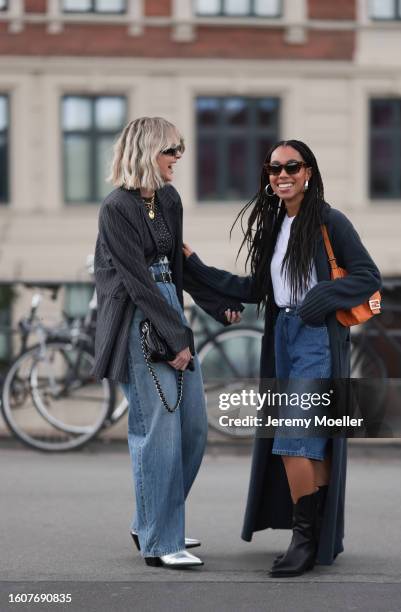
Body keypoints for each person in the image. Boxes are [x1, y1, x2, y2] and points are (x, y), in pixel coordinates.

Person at [183, 139, 381, 577]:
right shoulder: (275, 226)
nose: (282, 175)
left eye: (292, 166)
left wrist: (322, 297)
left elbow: (369, 276)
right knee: (308, 440)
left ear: (308, 172)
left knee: (294, 437)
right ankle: (318, 535)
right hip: (282, 339)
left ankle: (304, 538)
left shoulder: (330, 220)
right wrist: (194, 266)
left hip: (316, 339)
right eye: (274, 169)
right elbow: (255, 289)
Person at [91, 117, 242, 569]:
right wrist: (176, 339)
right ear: (147, 151)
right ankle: (161, 540)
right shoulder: (117, 207)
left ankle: (153, 521)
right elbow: (137, 281)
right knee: (158, 432)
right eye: (171, 149)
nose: (179, 157)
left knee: (193, 429)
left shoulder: (168, 199)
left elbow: (177, 263)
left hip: (169, 309)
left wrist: (216, 303)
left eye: (181, 148)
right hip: (140, 320)